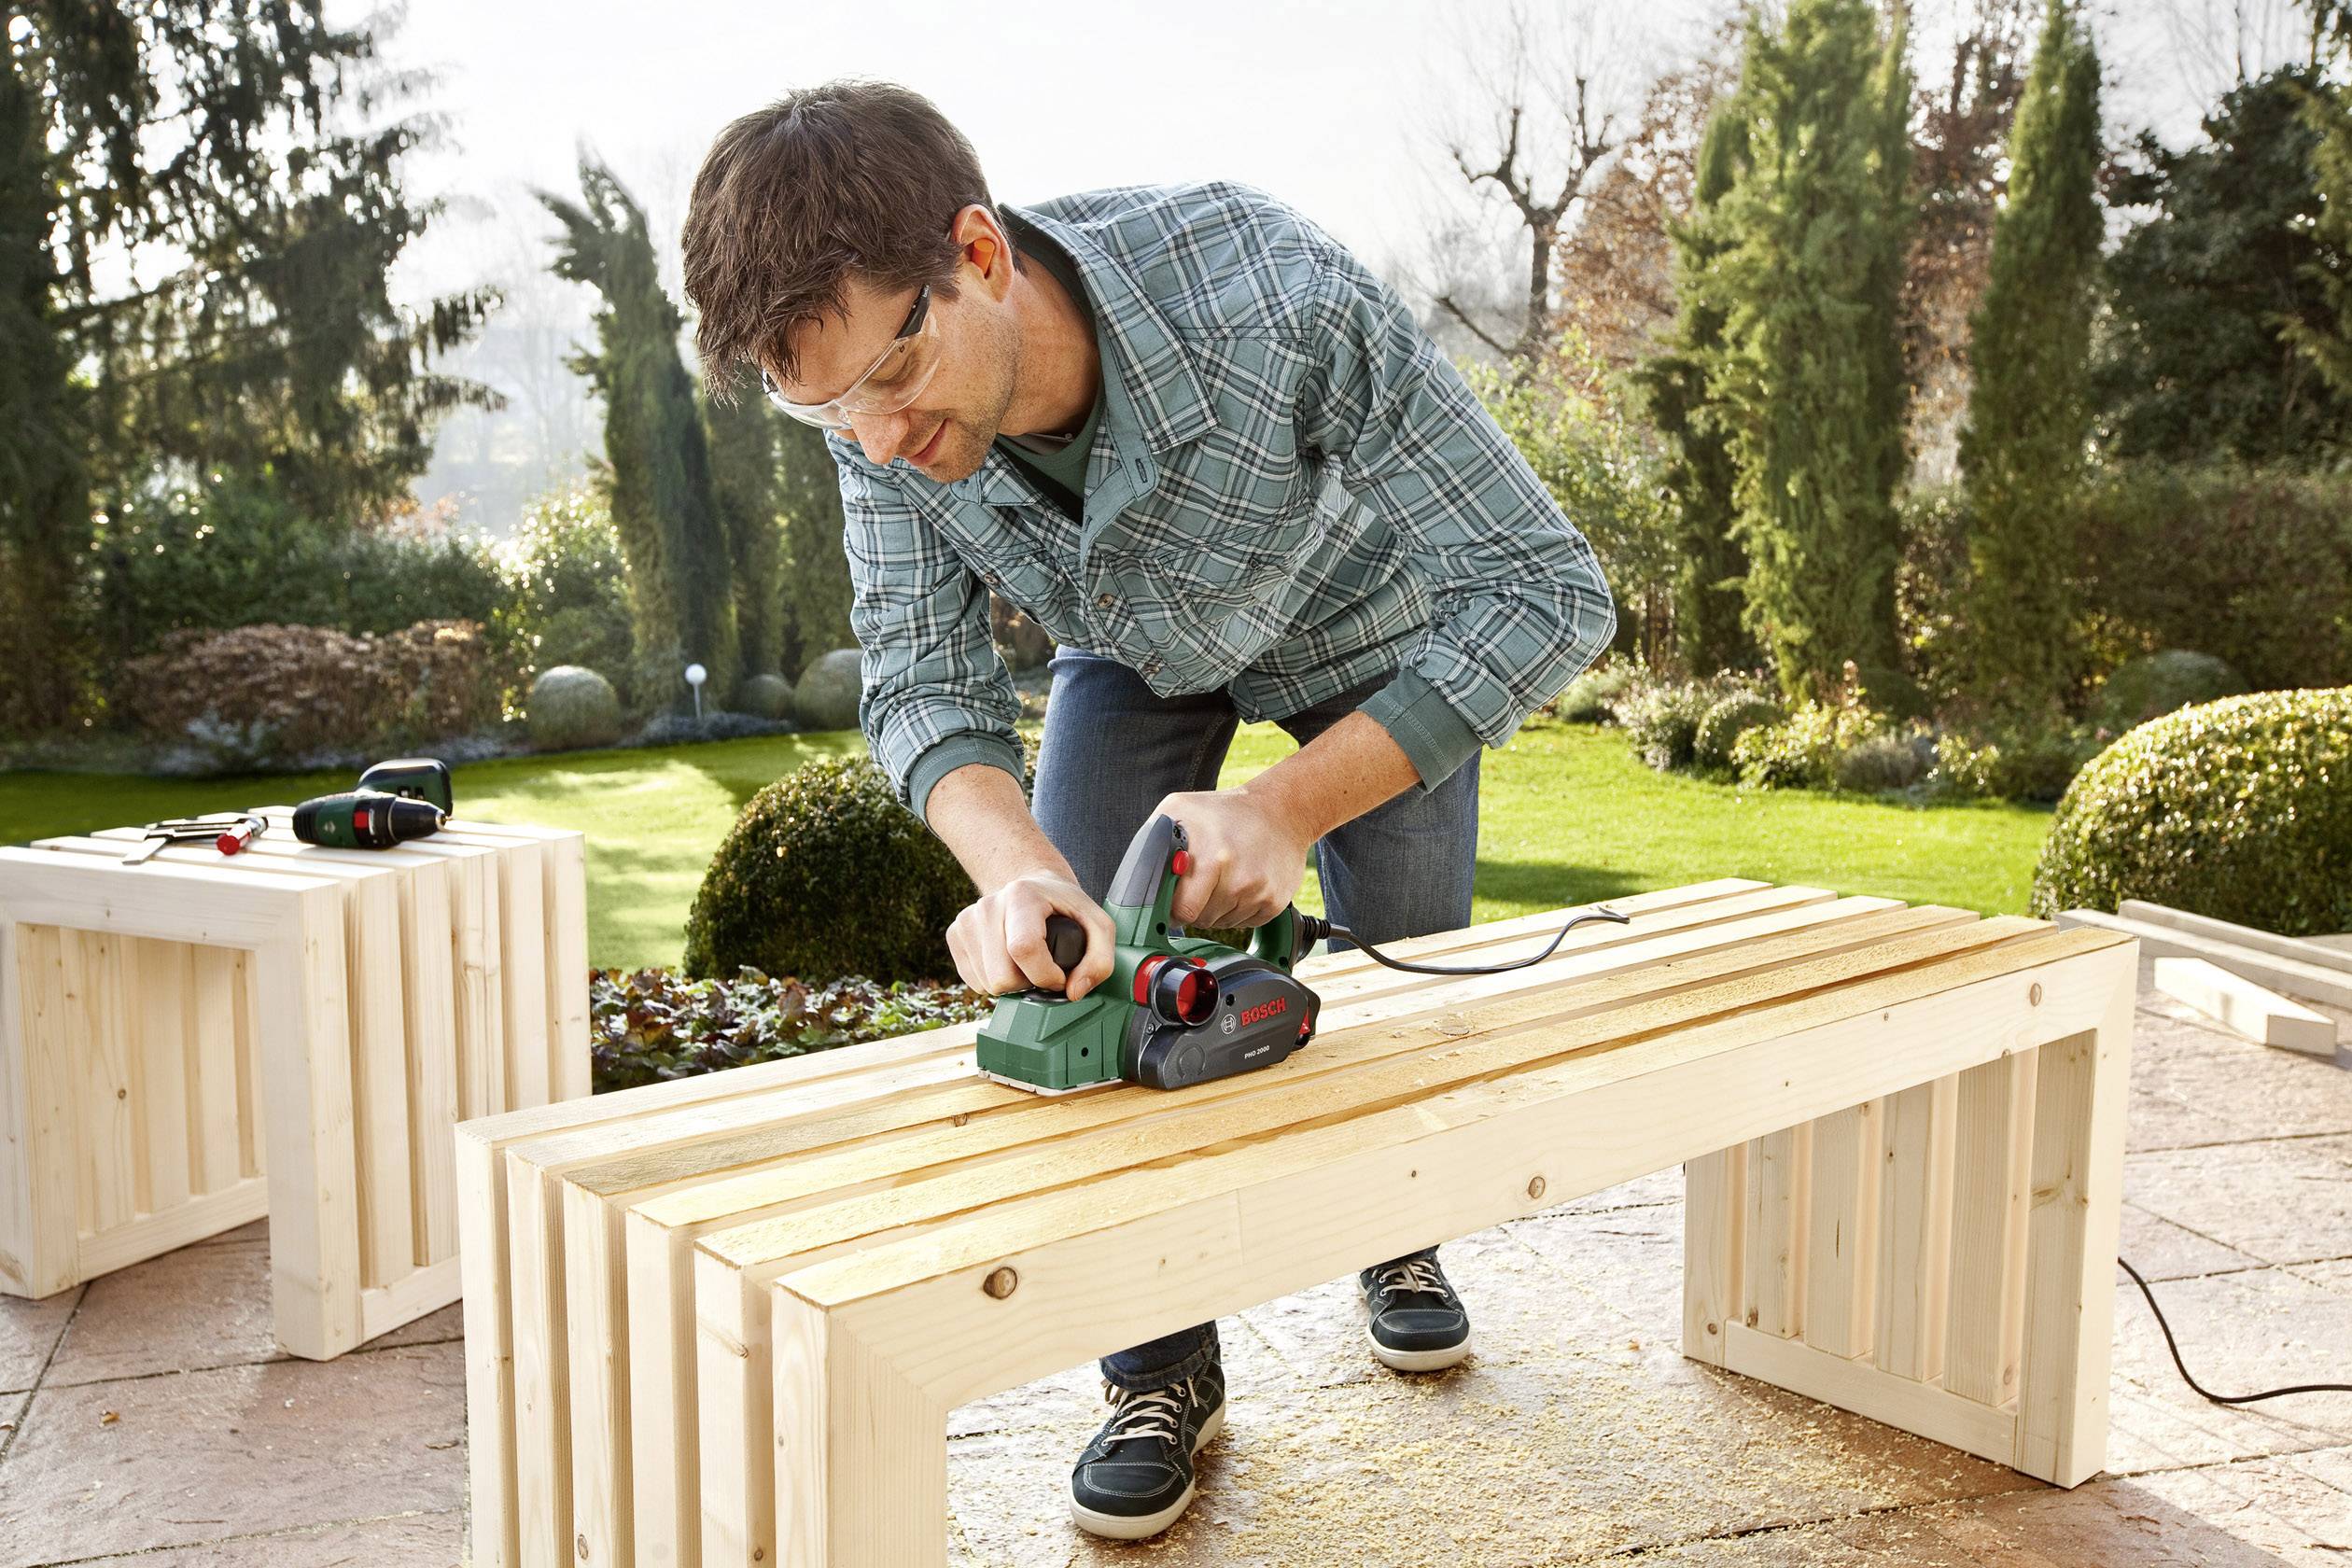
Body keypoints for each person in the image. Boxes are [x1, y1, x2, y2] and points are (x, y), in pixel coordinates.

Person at [680, 78, 1617, 1542]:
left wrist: (1292, 808)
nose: (873, 439)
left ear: (977, 255)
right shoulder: (876, 411)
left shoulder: (1274, 295)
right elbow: (923, 686)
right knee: (1087, 997)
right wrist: (1010, 874)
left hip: (1371, 622)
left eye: (892, 378)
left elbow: (1549, 590)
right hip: (1129, 648)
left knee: (1397, 988)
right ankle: (1157, 1366)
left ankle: (1400, 1241)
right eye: (827, 407)